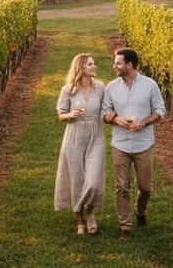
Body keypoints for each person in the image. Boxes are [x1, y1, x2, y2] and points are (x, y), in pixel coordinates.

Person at [101, 47, 165, 239]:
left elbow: (160, 111)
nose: (114, 66)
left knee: (145, 188)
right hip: (120, 143)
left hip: (143, 143)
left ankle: (139, 210)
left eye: (118, 63)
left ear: (129, 65)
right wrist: (115, 120)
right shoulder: (111, 87)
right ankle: (125, 227)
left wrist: (143, 122)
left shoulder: (150, 85)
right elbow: (104, 112)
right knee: (122, 186)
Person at [55, 53, 106, 235]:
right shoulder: (68, 90)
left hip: (96, 136)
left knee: (93, 180)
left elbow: (107, 108)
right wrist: (70, 115)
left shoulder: (100, 87)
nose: (94, 66)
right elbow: (61, 114)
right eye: (90, 64)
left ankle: (90, 212)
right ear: (81, 67)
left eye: (94, 63)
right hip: (75, 136)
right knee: (77, 179)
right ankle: (80, 220)